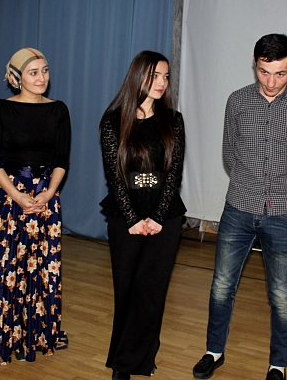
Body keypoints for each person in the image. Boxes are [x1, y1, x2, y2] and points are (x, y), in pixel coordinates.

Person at [192, 34, 287, 380]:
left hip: (281, 213)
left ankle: (278, 365)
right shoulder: (237, 101)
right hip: (238, 207)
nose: (271, 82)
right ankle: (214, 352)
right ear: (255, 64)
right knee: (222, 285)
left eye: (280, 73)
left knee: (281, 294)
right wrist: (248, 184)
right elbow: (229, 151)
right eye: (264, 72)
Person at [0, 48, 71, 368]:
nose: (41, 77)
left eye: (45, 70)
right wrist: (18, 195)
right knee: (3, 272)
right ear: (16, 77)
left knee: (38, 270)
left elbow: (62, 160)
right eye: (33, 72)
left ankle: (32, 336)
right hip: (7, 200)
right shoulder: (0, 109)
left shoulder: (59, 110)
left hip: (45, 199)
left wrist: (49, 193)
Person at [99, 51, 186, 380]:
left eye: (165, 76)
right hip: (125, 216)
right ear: (138, 77)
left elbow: (174, 175)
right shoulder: (113, 121)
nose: (162, 83)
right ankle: (122, 364)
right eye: (154, 76)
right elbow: (114, 175)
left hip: (166, 216)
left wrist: (158, 217)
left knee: (152, 294)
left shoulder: (173, 120)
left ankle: (143, 359)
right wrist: (133, 218)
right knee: (127, 291)